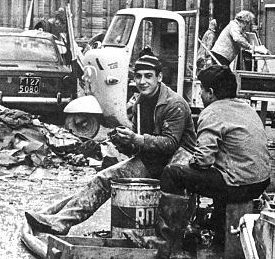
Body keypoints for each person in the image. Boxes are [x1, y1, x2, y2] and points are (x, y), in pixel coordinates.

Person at [24, 53, 197, 235]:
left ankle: (169, 236)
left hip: (178, 165)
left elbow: (170, 143)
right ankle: (60, 222)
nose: (142, 81)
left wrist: (135, 139)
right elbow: (138, 147)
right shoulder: (139, 102)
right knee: (104, 178)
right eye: (138, 76)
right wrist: (124, 142)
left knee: (165, 198)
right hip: (154, 160)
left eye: (148, 76)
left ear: (159, 77)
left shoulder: (174, 104)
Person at [160, 64, 270, 239]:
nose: (200, 95)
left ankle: (169, 237)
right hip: (261, 182)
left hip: (239, 186)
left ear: (210, 92)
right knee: (220, 172)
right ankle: (218, 230)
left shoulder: (212, 112)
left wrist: (187, 161)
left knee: (172, 173)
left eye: (201, 90)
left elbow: (202, 161)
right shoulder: (247, 108)